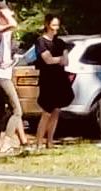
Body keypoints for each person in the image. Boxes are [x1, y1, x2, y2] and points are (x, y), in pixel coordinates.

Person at [0, 1, 26, 154]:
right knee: (17, 111)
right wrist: (3, 12)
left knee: (1, 110)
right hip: (2, 76)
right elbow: (14, 23)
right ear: (1, 15)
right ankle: (7, 142)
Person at [34, 13, 73, 150]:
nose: (56, 28)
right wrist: (59, 59)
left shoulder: (60, 42)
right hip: (47, 79)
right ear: (47, 24)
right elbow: (47, 60)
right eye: (53, 24)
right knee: (46, 111)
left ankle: (50, 141)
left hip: (59, 79)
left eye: (57, 24)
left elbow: (66, 61)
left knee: (56, 110)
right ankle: (39, 142)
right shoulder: (40, 41)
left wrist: (59, 59)